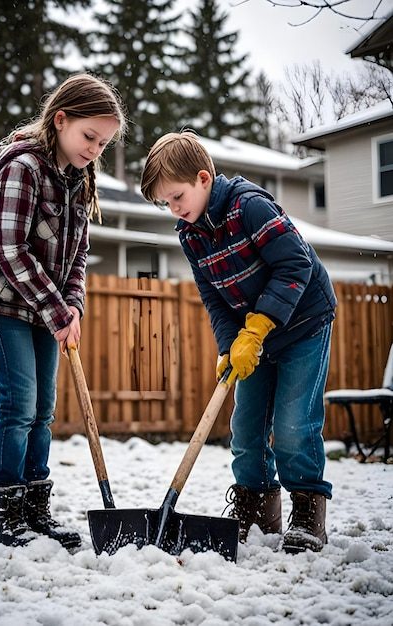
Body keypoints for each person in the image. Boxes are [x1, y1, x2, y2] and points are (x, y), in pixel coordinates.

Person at [140, 130, 337, 553]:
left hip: (304, 322)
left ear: (204, 178)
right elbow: (214, 296)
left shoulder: (250, 207)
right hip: (252, 335)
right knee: (245, 430)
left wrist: (259, 326)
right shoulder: (190, 234)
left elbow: (294, 266)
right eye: (166, 204)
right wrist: (231, 343)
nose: (174, 209)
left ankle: (307, 511)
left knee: (292, 426)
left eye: (177, 197)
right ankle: (256, 510)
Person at [0, 74, 126, 547]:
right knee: (19, 404)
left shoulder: (80, 180)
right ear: (60, 121)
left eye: (105, 142)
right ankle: (6, 514)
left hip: (43, 306)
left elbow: (77, 255)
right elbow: (11, 249)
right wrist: (58, 310)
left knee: (44, 411)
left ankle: (35, 510)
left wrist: (72, 305)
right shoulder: (24, 168)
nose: (95, 149)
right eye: (89, 136)